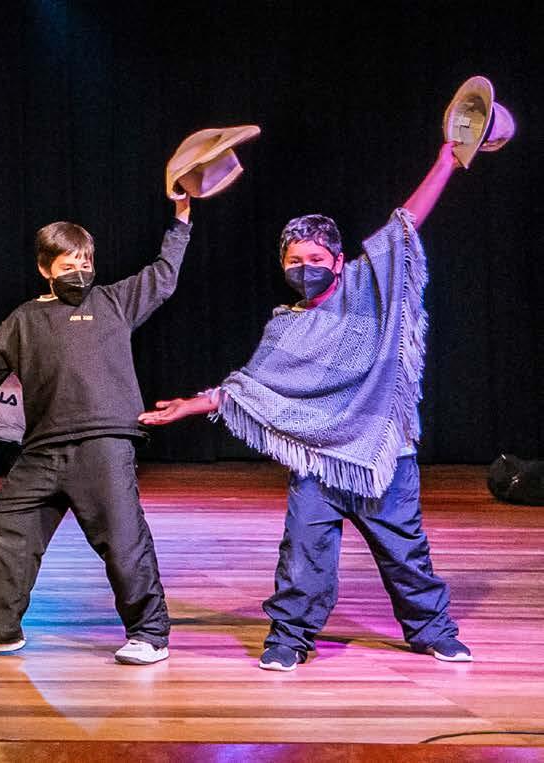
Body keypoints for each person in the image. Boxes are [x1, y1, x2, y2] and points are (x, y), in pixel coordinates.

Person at [140, 140, 473, 671]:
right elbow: (249, 389)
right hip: (317, 461)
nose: (305, 268)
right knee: (303, 556)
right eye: (295, 261)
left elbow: (405, 224)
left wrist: (444, 163)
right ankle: (289, 638)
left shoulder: (368, 287)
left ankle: (433, 631)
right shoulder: (284, 327)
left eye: (316, 259)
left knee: (405, 553)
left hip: (383, 456)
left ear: (338, 261)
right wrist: (189, 405)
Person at [0, 193, 195, 665]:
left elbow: (163, 274)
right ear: (46, 268)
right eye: (68, 264)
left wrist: (181, 219)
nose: (80, 271)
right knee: (5, 521)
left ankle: (149, 634)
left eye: (86, 262)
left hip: (102, 442)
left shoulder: (114, 301)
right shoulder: (23, 320)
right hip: (42, 450)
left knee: (122, 537)